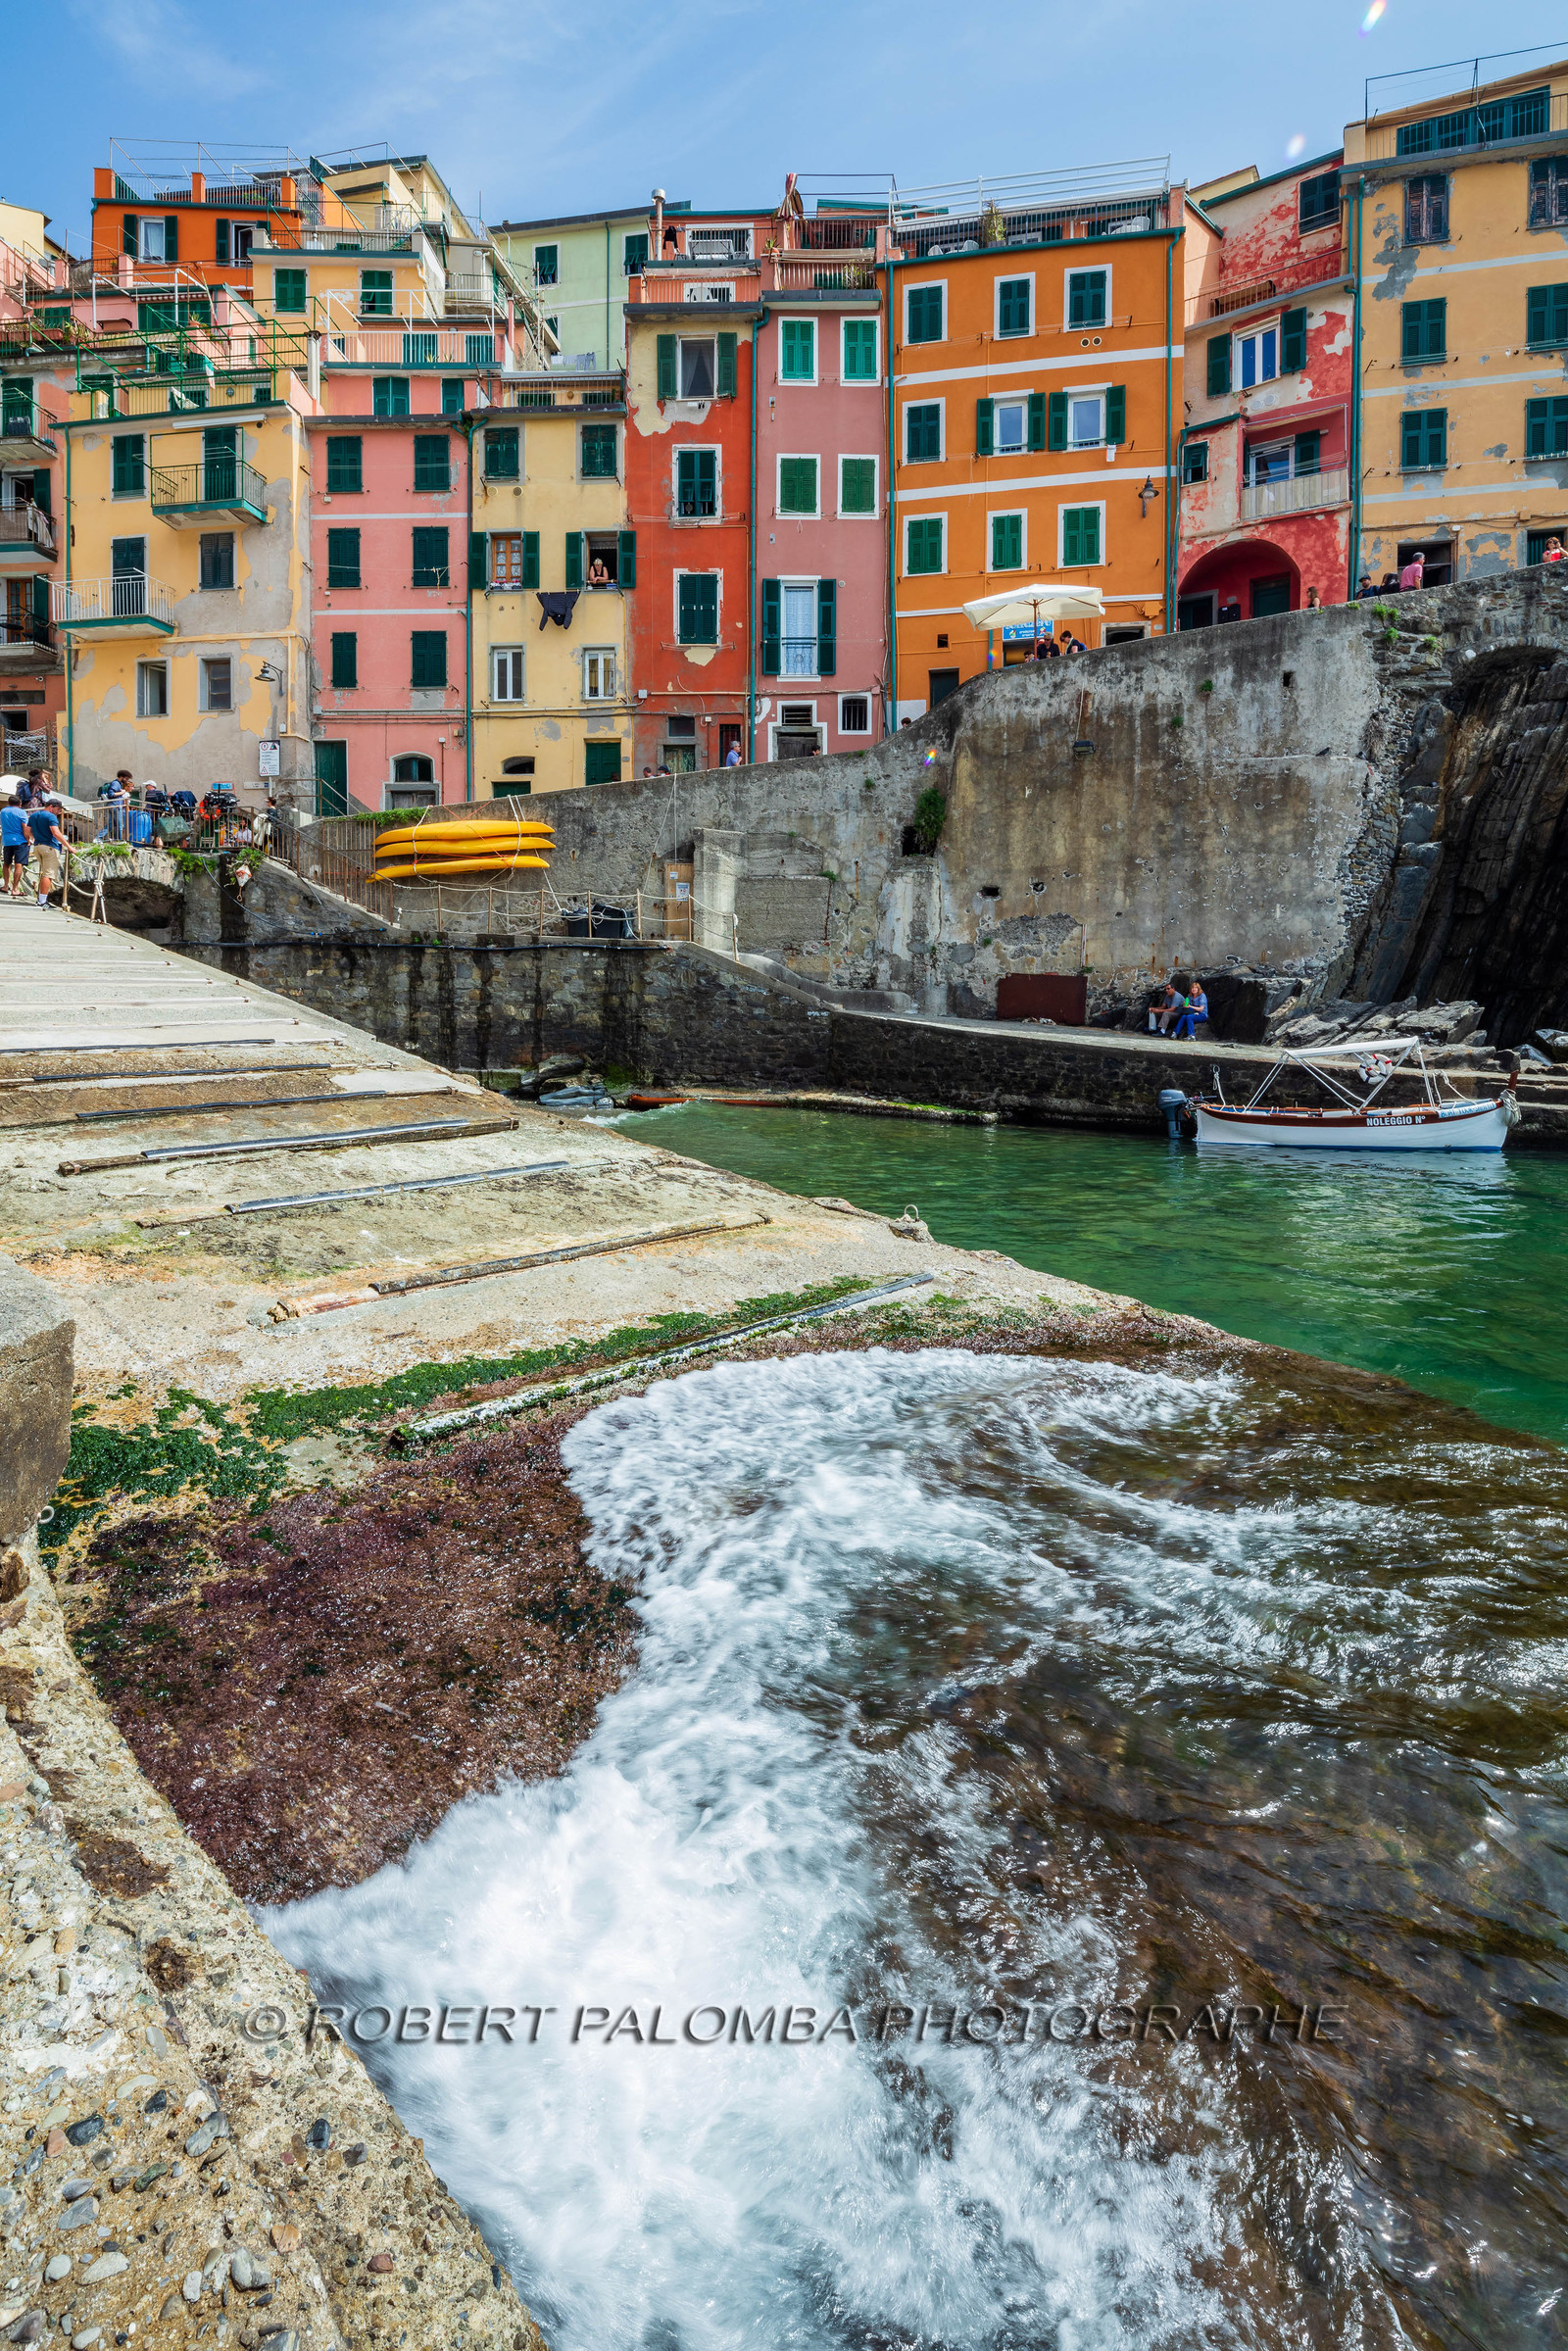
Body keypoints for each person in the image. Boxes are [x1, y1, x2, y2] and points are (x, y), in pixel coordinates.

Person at [26, 797, 65, 910]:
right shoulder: (51, 816)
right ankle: (42, 901)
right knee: (49, 874)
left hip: (38, 847)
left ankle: (41, 899)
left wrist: (33, 839)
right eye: (58, 809)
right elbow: (55, 832)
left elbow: (27, 831)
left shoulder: (33, 815)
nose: (59, 812)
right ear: (51, 807)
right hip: (50, 847)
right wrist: (69, 846)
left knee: (45, 873)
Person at [0, 798, 29, 899]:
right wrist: (28, 840)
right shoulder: (21, 812)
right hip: (20, 841)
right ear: (20, 803)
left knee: (6, 863)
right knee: (18, 864)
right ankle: (15, 889)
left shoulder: (3, 811)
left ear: (9, 802)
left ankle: (5, 885)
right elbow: (24, 827)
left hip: (7, 841)